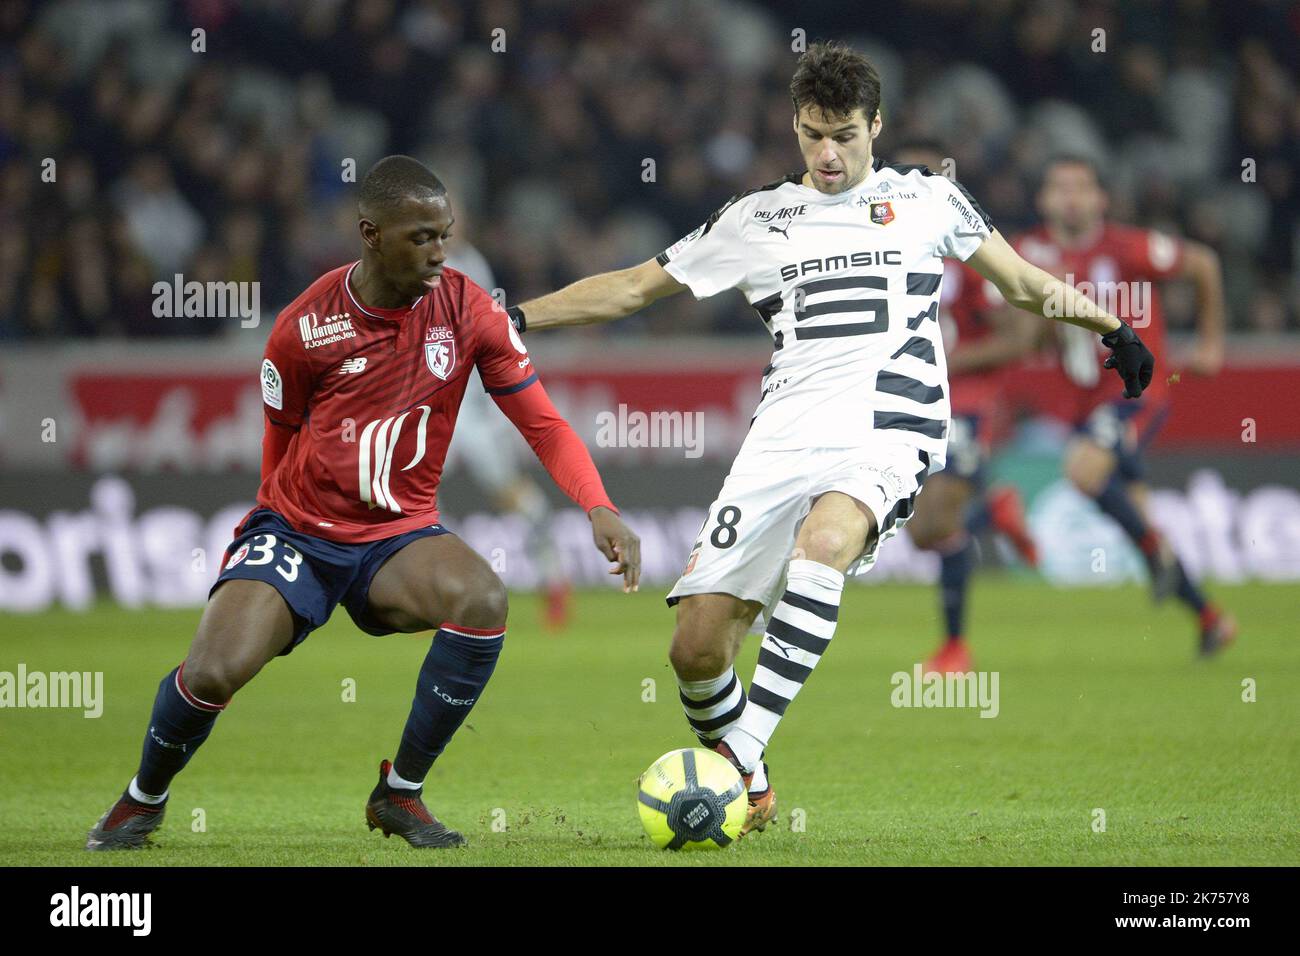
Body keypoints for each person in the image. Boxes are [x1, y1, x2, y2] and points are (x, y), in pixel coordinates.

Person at [504, 43, 1154, 837]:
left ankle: (741, 753)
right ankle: (757, 782)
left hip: (891, 426)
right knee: (697, 646)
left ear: (876, 126)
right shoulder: (756, 217)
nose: (827, 152)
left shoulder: (929, 200)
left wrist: (1112, 325)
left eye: (844, 134)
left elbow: (1019, 281)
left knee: (827, 542)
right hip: (781, 438)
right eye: (813, 134)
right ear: (794, 126)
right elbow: (635, 287)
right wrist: (516, 318)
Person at [86, 156, 640, 851]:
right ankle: (144, 799)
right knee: (213, 671)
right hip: (298, 535)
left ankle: (400, 794)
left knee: (483, 600)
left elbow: (544, 423)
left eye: (445, 234)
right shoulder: (304, 327)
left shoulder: (470, 310)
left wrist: (597, 504)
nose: (440, 252)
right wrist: (264, 538)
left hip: (397, 539)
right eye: (422, 237)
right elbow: (278, 443)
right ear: (371, 234)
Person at [1010, 155, 1235, 656]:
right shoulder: (1027, 253)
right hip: (1084, 402)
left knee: (1083, 471)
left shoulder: (1129, 248)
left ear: (1100, 199)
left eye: (1082, 187)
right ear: (1044, 200)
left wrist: (1211, 343)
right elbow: (1021, 321)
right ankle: (1210, 616)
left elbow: (1203, 263)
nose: (1071, 197)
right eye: (1059, 187)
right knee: (1135, 514)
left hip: (1136, 391)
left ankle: (1158, 560)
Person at [891, 140, 1043, 676]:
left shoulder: (965, 246)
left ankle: (956, 647)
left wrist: (943, 361)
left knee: (934, 520)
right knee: (919, 529)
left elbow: (1020, 336)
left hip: (962, 401)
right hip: (902, 397)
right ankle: (993, 511)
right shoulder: (876, 241)